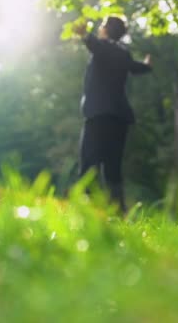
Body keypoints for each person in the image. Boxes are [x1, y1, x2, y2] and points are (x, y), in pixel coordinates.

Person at [73, 16, 151, 215]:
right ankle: (118, 213)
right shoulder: (123, 53)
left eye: (102, 26)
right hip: (119, 117)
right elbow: (136, 68)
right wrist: (147, 65)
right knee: (113, 167)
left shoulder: (104, 47)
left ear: (106, 30)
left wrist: (84, 34)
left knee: (89, 163)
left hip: (99, 114)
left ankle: (85, 211)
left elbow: (95, 46)